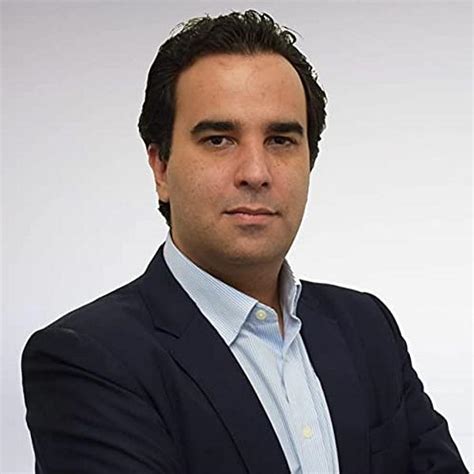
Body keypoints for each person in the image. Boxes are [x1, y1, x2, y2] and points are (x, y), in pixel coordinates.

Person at [21, 10, 467, 474]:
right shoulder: (86, 359)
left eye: (280, 140)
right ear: (161, 168)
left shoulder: (367, 328)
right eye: (219, 140)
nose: (255, 172)